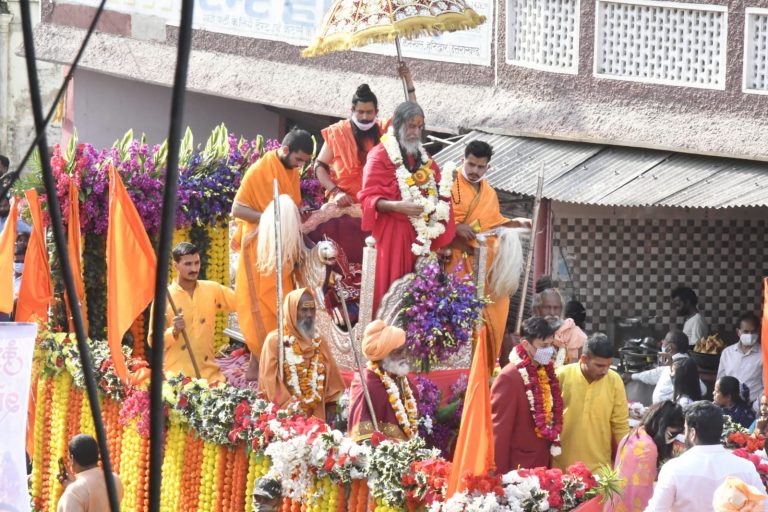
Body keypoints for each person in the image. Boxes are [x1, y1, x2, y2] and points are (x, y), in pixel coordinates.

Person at [358, 101, 456, 314]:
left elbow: (438, 189)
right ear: (398, 125)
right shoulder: (379, 155)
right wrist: (397, 206)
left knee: (420, 296)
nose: (416, 132)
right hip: (393, 235)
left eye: (419, 127)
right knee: (392, 291)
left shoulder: (423, 158)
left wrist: (445, 190)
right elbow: (367, 199)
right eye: (411, 126)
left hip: (421, 238)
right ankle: (384, 340)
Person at [232, 128, 313, 369]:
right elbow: (237, 209)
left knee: (280, 304)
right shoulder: (259, 170)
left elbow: (290, 206)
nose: (300, 166)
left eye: (304, 162)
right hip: (258, 249)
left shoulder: (291, 171)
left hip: (282, 250)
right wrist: (270, 219)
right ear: (285, 150)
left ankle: (265, 365)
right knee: (261, 307)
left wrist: (299, 212)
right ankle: (260, 364)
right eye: (298, 159)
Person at [447, 140, 531, 370]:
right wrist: (454, 228)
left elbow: (493, 224)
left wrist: (516, 223)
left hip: (484, 267)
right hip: (454, 262)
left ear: (488, 168)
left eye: (480, 167)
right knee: (460, 321)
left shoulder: (490, 193)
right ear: (463, 160)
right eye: (471, 164)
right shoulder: (447, 184)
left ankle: (482, 373)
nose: (474, 171)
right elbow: (430, 220)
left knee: (492, 314)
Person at [315, 66, 416, 205]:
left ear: (376, 111)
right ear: (352, 110)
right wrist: (336, 192)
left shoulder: (385, 129)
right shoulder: (338, 132)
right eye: (360, 112)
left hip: (380, 205)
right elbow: (319, 166)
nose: (365, 116)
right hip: (345, 205)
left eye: (369, 112)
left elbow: (412, 115)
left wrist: (408, 82)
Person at [644, 401, 765, 512]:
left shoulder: (673, 469)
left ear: (692, 433)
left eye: (685, 430)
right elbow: (764, 507)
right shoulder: (746, 468)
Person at [147, 242, 236, 383]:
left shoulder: (211, 289)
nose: (194, 269)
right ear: (176, 266)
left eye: (197, 263)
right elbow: (153, 341)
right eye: (188, 264)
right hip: (178, 377)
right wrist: (173, 331)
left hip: (210, 376)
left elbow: (241, 302)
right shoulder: (164, 298)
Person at [259, 288, 345, 421]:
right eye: (304, 310)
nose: (309, 314)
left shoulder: (319, 341)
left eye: (312, 310)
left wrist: (332, 405)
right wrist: (291, 410)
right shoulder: (276, 341)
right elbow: (271, 384)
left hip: (317, 416)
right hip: (285, 417)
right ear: (292, 312)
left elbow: (333, 378)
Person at [491, 317, 562, 473]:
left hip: (541, 463)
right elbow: (499, 431)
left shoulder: (545, 371)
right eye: (543, 346)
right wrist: (498, 475)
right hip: (518, 469)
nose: (549, 351)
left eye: (551, 345)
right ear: (525, 344)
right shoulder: (509, 377)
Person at [554, 333, 629, 472]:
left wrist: (628, 458)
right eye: (599, 365)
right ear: (584, 359)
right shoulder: (561, 375)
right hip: (561, 464)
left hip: (598, 467)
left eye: (608, 365)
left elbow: (621, 424)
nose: (605, 371)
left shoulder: (614, 380)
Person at [348, 319, 420, 442]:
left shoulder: (400, 378)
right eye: (398, 352)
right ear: (383, 355)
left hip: (405, 452)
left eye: (405, 349)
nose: (404, 355)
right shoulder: (367, 383)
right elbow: (361, 438)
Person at [611, 401, 684, 512]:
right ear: (662, 426)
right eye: (672, 433)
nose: (672, 438)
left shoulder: (634, 434)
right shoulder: (647, 448)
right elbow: (644, 491)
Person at [627, 330, 706, 403]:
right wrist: (632, 376)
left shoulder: (682, 366)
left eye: (665, 340)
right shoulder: (672, 362)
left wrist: (676, 399)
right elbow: (654, 374)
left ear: (670, 348)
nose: (662, 341)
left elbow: (702, 389)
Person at [56, 434, 124, 511]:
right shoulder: (115, 480)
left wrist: (72, 488)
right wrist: (74, 486)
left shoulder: (73, 493)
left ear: (72, 459)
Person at [530, 279, 587, 367]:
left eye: (556, 308)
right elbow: (539, 368)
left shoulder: (576, 334)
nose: (552, 313)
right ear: (538, 310)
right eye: (547, 307)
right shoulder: (532, 333)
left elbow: (580, 369)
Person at [717, 313, 763, 409]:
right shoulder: (727, 353)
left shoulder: (763, 355)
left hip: (753, 407)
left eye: (753, 332)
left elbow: (766, 386)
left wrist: (756, 406)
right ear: (738, 332)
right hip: (728, 407)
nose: (750, 335)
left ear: (758, 332)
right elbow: (720, 381)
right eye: (746, 331)